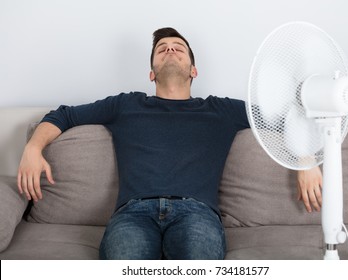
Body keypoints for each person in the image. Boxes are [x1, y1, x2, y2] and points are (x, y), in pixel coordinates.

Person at [17, 27, 323, 260]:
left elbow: (283, 118)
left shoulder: (219, 110)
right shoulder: (126, 105)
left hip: (197, 214)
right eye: (162, 49)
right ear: (151, 73)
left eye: (179, 48)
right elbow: (63, 115)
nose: (170, 49)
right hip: (132, 214)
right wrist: (33, 148)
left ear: (193, 70)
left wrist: (305, 159)